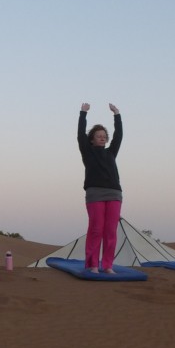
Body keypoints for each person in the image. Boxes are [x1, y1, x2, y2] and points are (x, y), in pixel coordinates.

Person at [77, 103, 122, 273]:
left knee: (110, 231)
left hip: (114, 193)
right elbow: (80, 134)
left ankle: (108, 265)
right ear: (92, 139)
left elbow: (119, 136)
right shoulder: (87, 152)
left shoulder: (111, 152)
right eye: (98, 136)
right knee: (96, 229)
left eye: (104, 136)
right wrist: (83, 113)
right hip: (95, 193)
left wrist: (117, 114)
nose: (102, 138)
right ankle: (93, 264)